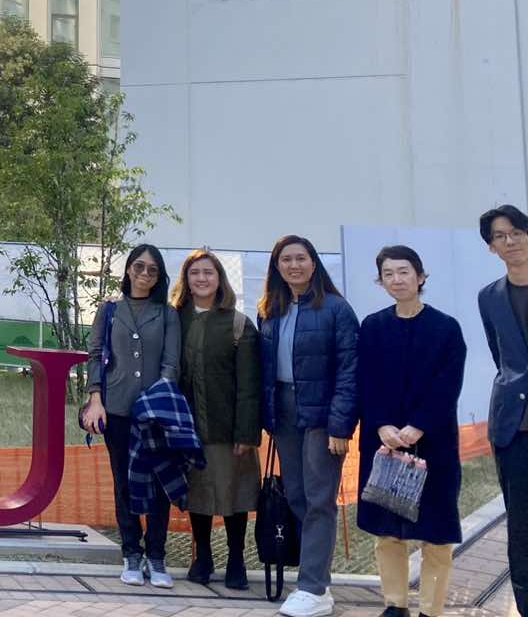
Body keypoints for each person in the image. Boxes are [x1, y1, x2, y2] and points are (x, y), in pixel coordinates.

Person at [358, 245, 465, 617]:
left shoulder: (446, 328)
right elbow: (366, 382)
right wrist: (383, 424)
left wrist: (418, 425)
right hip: (384, 440)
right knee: (387, 528)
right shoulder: (372, 326)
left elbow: (448, 384)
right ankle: (395, 604)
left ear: (420, 276)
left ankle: (431, 609)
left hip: (433, 441)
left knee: (436, 531)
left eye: (404, 271)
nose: (396, 279)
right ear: (380, 280)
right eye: (388, 273)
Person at [258, 234, 360, 617]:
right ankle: (316, 581)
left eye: (301, 258)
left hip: (321, 413)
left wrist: (340, 425)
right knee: (297, 495)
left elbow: (350, 372)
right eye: (286, 260)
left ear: (313, 263)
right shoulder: (269, 310)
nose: (294, 265)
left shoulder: (336, 309)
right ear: (277, 267)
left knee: (319, 498)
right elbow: (264, 370)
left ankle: (313, 587)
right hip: (283, 411)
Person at [82, 244, 182, 587]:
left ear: (159, 277)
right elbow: (95, 355)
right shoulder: (110, 310)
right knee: (123, 481)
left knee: (157, 483)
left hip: (155, 413)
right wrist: (95, 399)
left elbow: (171, 362)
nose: (144, 274)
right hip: (118, 410)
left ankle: (156, 556)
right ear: (128, 270)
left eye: (152, 270)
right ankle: (131, 553)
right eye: (139, 267)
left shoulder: (167, 314)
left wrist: (161, 400)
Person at [477, 204, 528, 617]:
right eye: (498, 237)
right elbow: (502, 356)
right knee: (520, 528)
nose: (508, 242)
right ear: (491, 247)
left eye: (515, 233)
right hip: (513, 427)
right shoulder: (488, 297)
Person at [170, 248, 260, 590]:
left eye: (209, 272)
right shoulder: (175, 319)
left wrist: (246, 432)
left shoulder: (238, 323)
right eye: (195, 273)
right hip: (187, 428)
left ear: (220, 279)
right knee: (199, 494)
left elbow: (249, 385)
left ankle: (236, 559)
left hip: (229, 429)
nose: (202, 278)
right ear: (186, 280)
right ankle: (202, 556)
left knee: (233, 495)